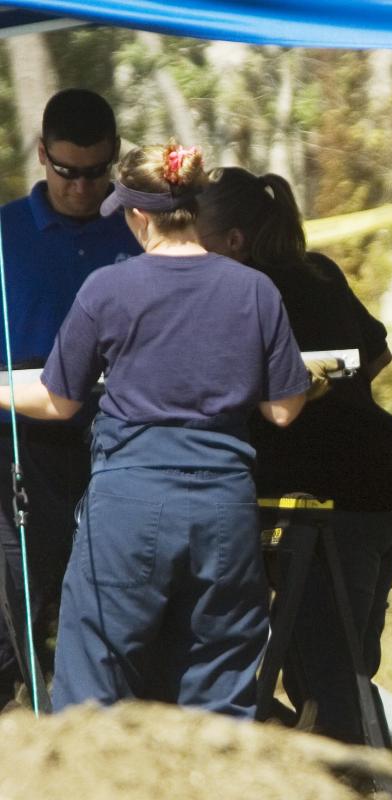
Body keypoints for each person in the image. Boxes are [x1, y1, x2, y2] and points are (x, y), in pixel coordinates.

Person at [0, 141, 311, 716]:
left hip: (128, 506)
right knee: (219, 697)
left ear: (138, 215)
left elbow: (59, 400)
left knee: (91, 695)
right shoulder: (254, 289)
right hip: (224, 507)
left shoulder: (107, 288)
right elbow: (284, 410)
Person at [196, 166, 392, 743]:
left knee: (327, 676)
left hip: (332, 503)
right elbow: (377, 354)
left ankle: (356, 778)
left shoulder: (245, 293)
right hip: (388, 486)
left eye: (201, 242)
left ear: (235, 241)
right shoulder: (319, 272)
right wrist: (334, 389)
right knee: (346, 667)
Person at [0, 88, 142, 709]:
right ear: (41, 155)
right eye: (66, 172)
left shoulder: (138, 229)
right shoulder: (6, 231)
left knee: (115, 608)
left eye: (95, 173)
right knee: (12, 610)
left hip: (117, 437)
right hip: (19, 437)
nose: (82, 188)